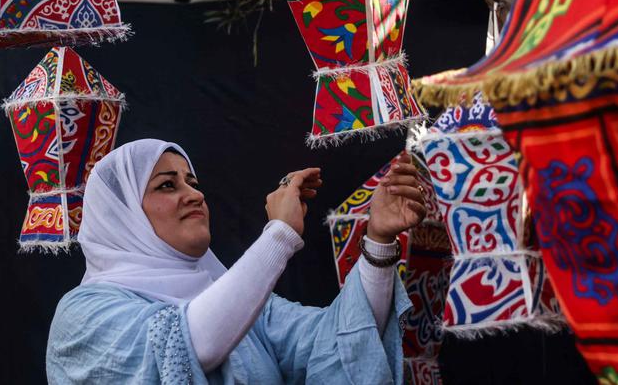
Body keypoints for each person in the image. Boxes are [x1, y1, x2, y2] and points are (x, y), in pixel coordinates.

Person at [46, 138, 428, 384]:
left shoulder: (242, 306)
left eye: (193, 183)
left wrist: (378, 241)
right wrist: (278, 236)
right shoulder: (83, 315)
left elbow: (341, 339)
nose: (194, 195)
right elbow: (185, 345)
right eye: (167, 184)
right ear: (121, 215)